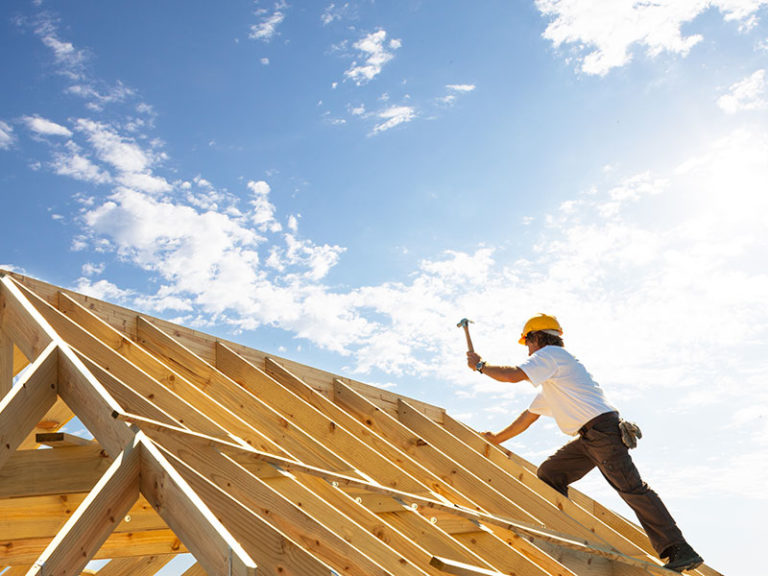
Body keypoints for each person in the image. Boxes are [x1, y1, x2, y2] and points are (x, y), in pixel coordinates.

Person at [467, 313, 703, 573]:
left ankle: (680, 550)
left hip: (602, 433)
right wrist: (496, 439)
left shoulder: (551, 357)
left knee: (632, 490)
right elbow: (527, 418)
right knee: (550, 473)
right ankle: (565, 528)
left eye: (527, 343)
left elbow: (512, 375)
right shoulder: (556, 380)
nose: (528, 349)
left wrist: (481, 366)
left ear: (536, 338)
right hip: (590, 437)